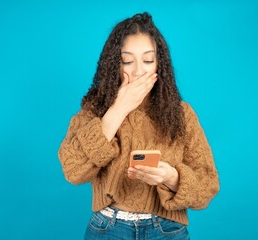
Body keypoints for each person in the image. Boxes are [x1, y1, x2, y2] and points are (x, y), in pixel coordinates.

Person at [58, 12, 219, 240]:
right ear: (114, 64)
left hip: (167, 230)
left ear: (159, 64)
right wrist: (119, 109)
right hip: (108, 228)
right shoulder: (95, 111)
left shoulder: (182, 114)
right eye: (127, 60)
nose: (138, 71)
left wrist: (170, 177)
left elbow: (208, 185)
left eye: (147, 60)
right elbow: (73, 171)